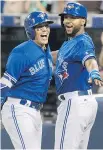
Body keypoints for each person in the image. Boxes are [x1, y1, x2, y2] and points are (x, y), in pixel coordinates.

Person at [52, 2, 103, 149]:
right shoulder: (70, 43)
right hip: (83, 102)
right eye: (66, 17)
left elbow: (90, 60)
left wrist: (93, 71)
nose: (67, 21)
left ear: (83, 21)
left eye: (72, 17)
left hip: (73, 103)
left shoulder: (82, 42)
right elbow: (58, 55)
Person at [0, 11, 53, 149]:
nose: (44, 29)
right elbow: (5, 84)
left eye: (46, 26)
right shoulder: (21, 52)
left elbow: (49, 58)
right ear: (31, 30)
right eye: (39, 27)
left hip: (35, 111)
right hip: (19, 109)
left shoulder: (45, 50)